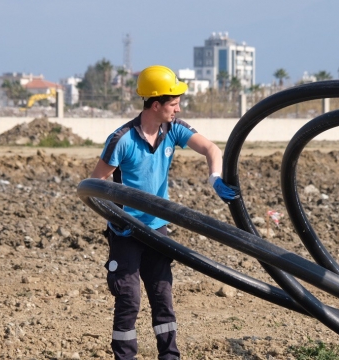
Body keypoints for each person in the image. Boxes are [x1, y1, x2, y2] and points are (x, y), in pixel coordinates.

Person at [90, 65, 239, 360]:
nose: (178, 108)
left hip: (158, 230)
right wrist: (116, 219)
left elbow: (211, 149)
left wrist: (215, 178)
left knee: (162, 297)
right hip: (126, 232)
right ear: (156, 105)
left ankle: (170, 357)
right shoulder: (122, 140)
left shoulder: (174, 130)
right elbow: (96, 185)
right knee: (128, 299)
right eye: (173, 103)